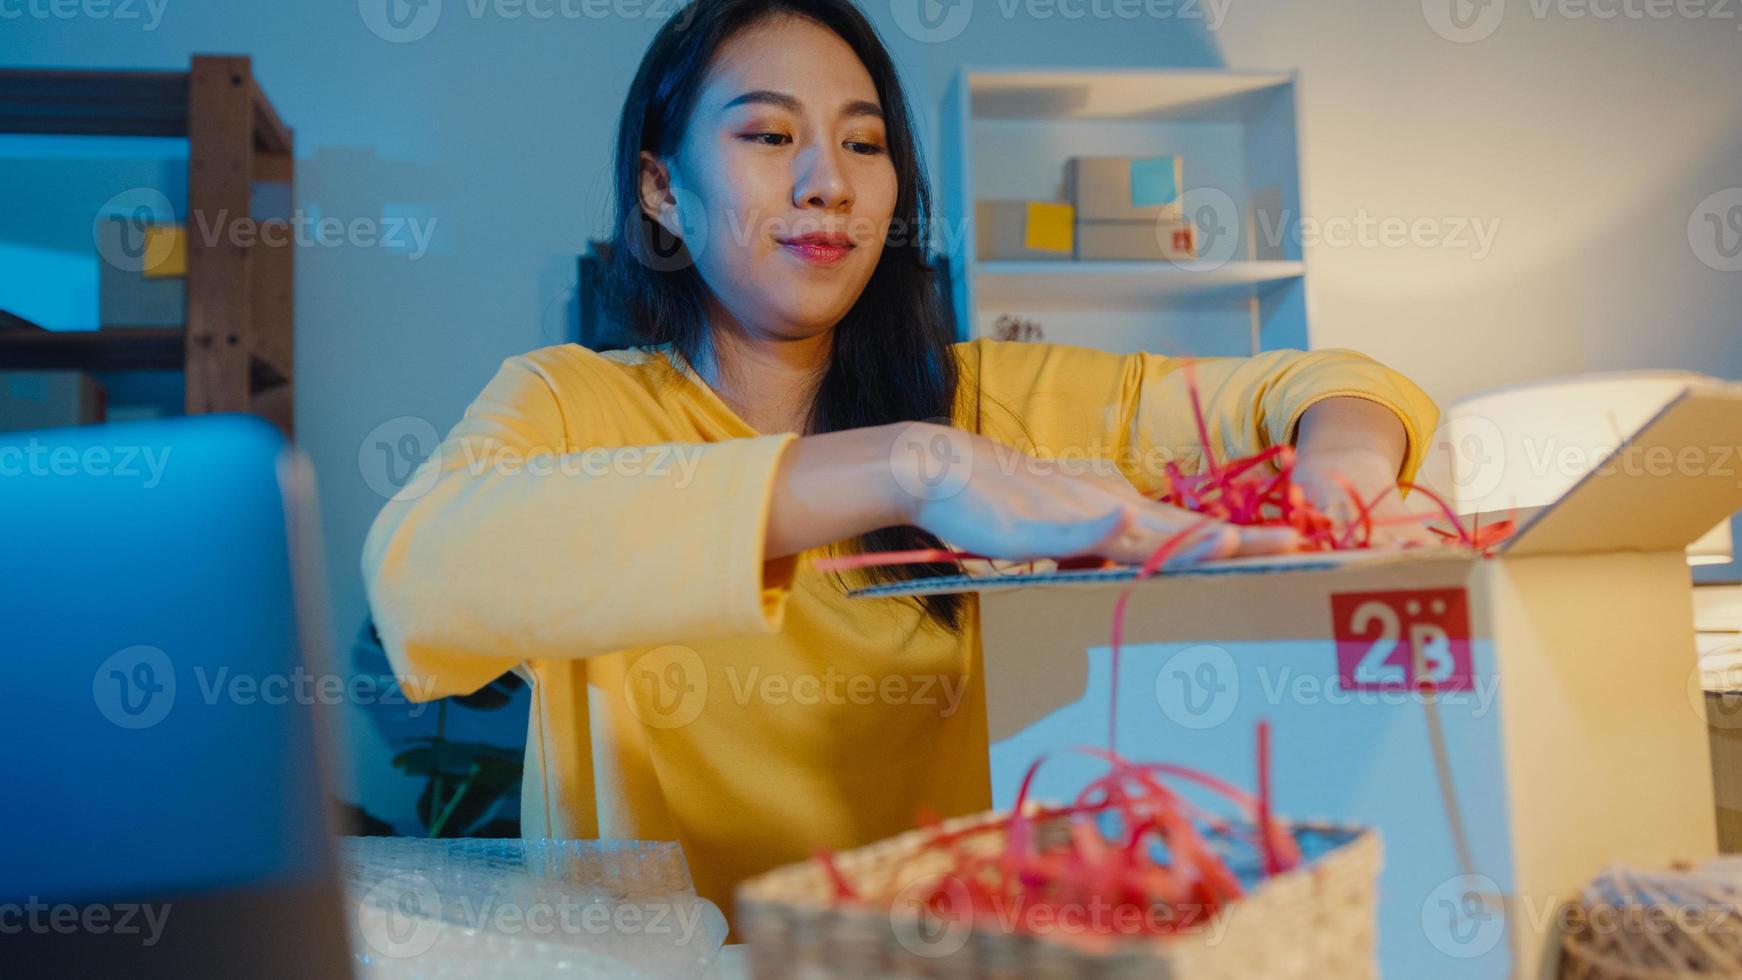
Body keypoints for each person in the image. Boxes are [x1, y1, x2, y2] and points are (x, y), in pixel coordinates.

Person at [361, 0, 1439, 931]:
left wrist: (1338, 473)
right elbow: (419, 577)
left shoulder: (989, 400)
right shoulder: (571, 400)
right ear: (659, 188)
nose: (828, 182)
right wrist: (908, 467)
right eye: (769, 135)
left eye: (864, 144)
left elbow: (1319, 384)